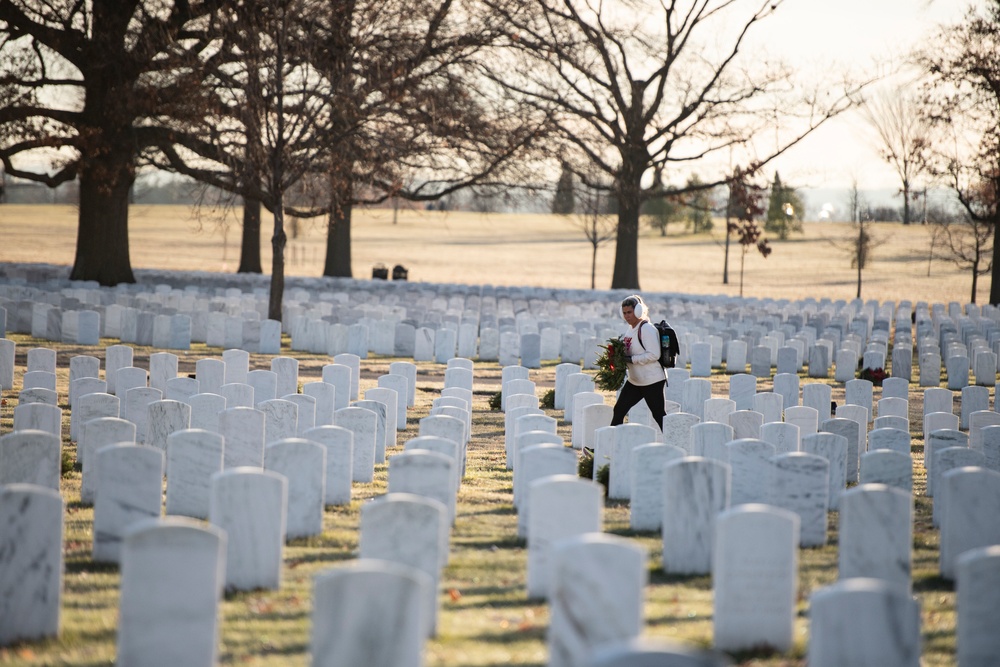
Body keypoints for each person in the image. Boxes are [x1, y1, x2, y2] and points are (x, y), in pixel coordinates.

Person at [610, 294, 666, 430]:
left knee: (659, 415)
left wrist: (632, 360)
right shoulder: (631, 329)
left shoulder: (646, 329)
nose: (627, 316)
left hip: (651, 380)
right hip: (635, 380)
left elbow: (654, 354)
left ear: (638, 311)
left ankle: (680, 444)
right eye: (624, 313)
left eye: (629, 312)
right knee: (619, 410)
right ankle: (608, 447)